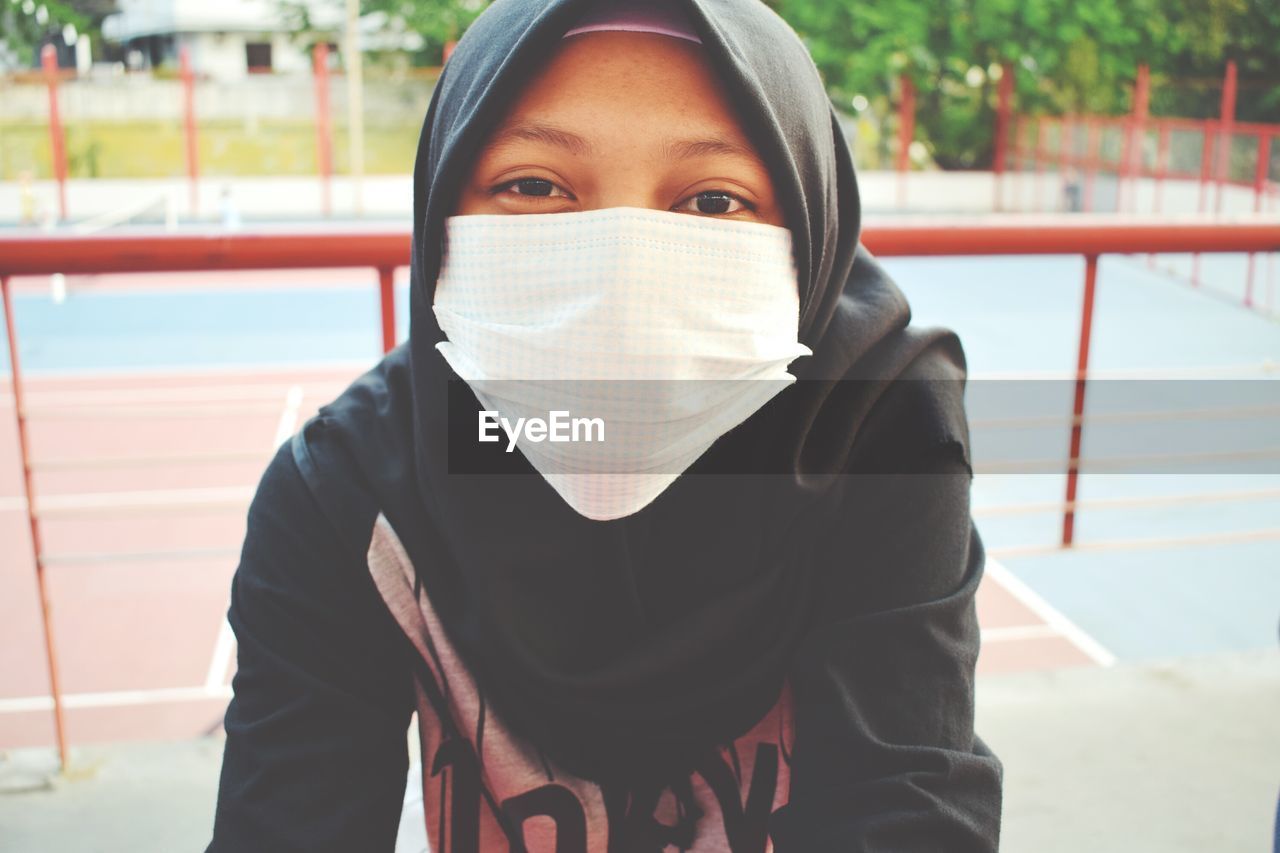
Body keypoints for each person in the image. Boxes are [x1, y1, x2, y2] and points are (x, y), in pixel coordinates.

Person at [206, 0, 1004, 850]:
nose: (622, 275)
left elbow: (910, 802)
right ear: (441, 212)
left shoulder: (879, 432)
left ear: (810, 229)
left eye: (711, 199)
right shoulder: (347, 489)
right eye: (535, 185)